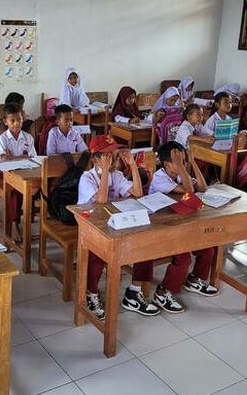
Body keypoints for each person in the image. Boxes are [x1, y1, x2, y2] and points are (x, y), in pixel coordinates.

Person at [78, 135, 159, 320]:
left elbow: (138, 193)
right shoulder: (87, 178)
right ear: (96, 159)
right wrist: (105, 171)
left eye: (115, 156)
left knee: (145, 243)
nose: (115, 161)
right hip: (92, 227)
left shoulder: (117, 175)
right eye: (109, 157)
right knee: (97, 254)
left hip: (116, 224)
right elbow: (101, 201)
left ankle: (134, 292)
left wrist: (132, 165)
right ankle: (91, 294)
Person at [149, 141, 217, 313]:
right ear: (166, 164)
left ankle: (195, 279)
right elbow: (190, 192)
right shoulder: (160, 178)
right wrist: (182, 167)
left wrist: (192, 162)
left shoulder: (179, 174)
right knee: (183, 258)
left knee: (207, 248)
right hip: (161, 227)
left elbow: (202, 187)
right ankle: (163, 292)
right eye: (179, 161)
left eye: (184, 160)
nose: (183, 164)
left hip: (182, 223)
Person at [0, 103, 37, 238]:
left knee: (39, 185)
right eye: (12, 120)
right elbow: (1, 161)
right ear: (5, 122)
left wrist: (12, 158)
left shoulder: (28, 137)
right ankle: (14, 222)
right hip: (7, 173)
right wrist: (20, 158)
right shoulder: (3, 139)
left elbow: (32, 158)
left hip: (25, 170)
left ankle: (33, 215)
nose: (16, 123)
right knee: (16, 191)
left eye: (19, 120)